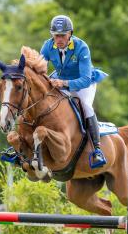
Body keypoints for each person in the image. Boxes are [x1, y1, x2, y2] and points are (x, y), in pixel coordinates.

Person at [40, 15, 108, 168]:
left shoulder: (81, 47)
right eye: (56, 35)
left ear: (70, 33)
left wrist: (63, 83)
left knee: (85, 105)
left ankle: (97, 149)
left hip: (84, 83)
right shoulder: (48, 46)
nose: (59, 39)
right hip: (60, 80)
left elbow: (85, 79)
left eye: (62, 35)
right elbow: (39, 68)